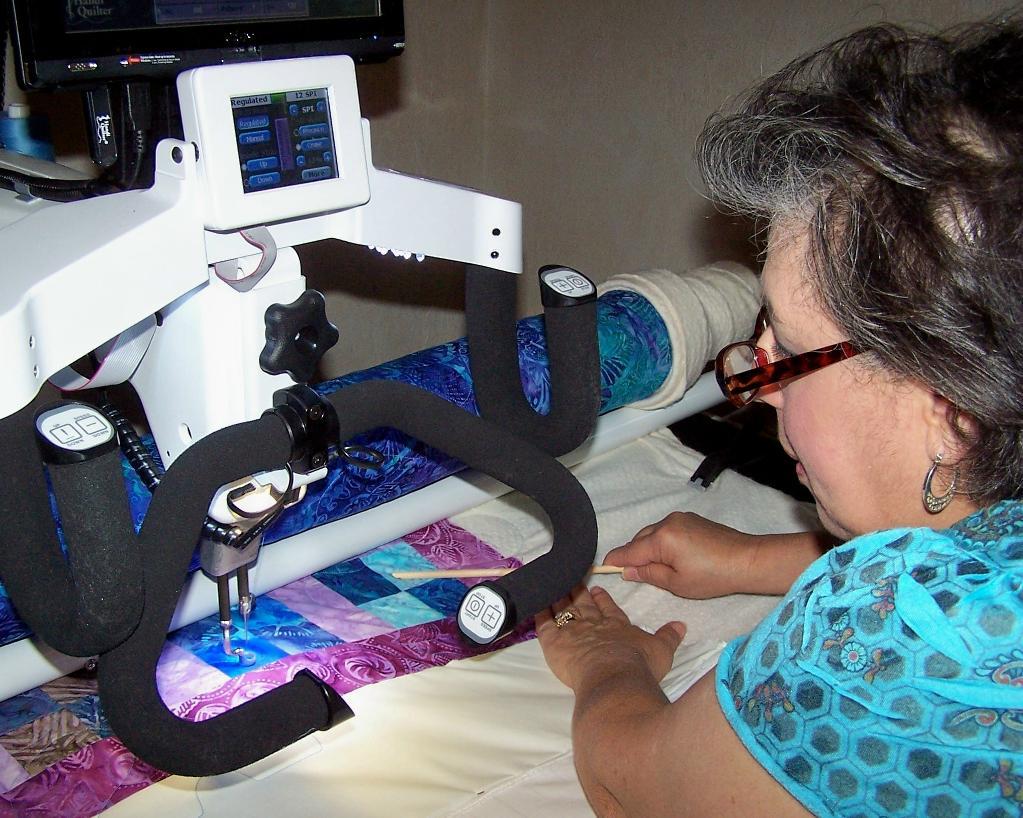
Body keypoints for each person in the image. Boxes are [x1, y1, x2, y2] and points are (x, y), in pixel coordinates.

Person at [537, 17, 1023, 818]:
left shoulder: (896, 653)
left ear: (954, 411)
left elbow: (640, 784)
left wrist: (610, 663)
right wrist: (760, 560)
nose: (756, 386)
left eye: (791, 354)